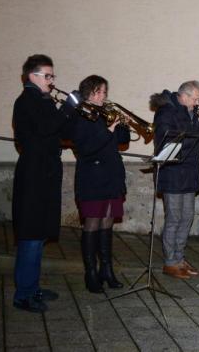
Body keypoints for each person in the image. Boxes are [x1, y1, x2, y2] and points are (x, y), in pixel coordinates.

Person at [11, 54, 79, 312]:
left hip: (47, 171)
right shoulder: (27, 101)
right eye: (47, 76)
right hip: (33, 173)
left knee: (39, 234)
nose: (52, 81)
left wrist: (76, 116)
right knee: (30, 234)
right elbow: (46, 127)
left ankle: (32, 287)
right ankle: (23, 295)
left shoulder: (44, 100)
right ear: (32, 76)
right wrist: (67, 108)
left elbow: (62, 132)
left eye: (53, 76)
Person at [149, 81, 199, 279]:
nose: (197, 103)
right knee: (174, 218)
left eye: (198, 100)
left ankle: (179, 258)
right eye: (195, 99)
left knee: (187, 217)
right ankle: (170, 262)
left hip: (189, 171)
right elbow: (169, 141)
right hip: (172, 172)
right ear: (183, 96)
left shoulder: (191, 112)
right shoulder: (166, 112)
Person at [68, 75, 128, 293]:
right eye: (99, 91)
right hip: (92, 177)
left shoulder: (104, 114)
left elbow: (122, 141)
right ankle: (90, 273)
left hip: (111, 176)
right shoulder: (81, 116)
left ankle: (107, 269)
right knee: (92, 224)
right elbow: (85, 148)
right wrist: (108, 130)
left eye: (104, 91)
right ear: (88, 93)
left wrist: (121, 124)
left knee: (107, 223)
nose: (104, 95)